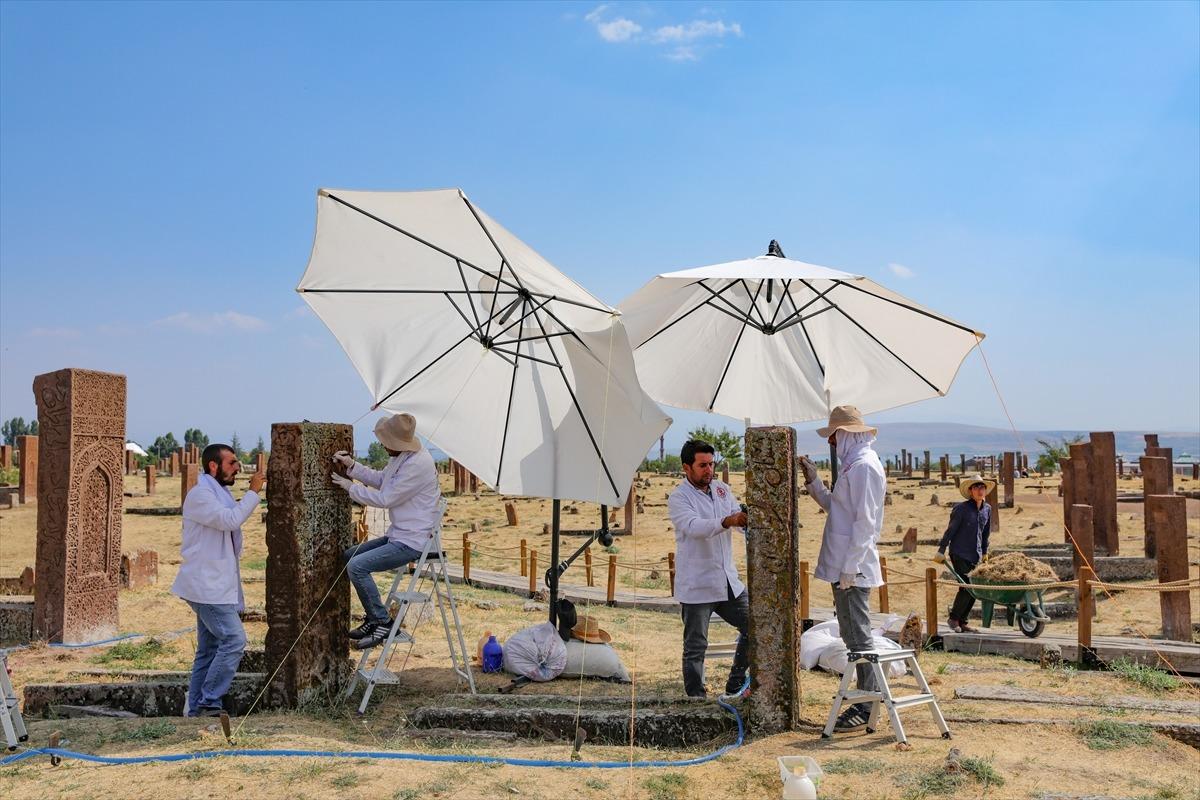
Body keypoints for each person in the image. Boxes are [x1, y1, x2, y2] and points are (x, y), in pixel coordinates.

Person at [799, 405, 886, 733]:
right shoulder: (854, 465)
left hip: (854, 566)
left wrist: (850, 567)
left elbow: (865, 522)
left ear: (847, 434)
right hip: (845, 565)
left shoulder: (863, 467)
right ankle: (866, 699)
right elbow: (838, 508)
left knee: (859, 636)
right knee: (851, 635)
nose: (831, 442)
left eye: (834, 436)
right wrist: (814, 482)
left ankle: (867, 702)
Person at [170, 443, 266, 717]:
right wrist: (253, 492)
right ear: (213, 466)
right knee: (234, 640)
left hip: (214, 584)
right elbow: (230, 520)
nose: (237, 467)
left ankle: (196, 709)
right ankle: (209, 701)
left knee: (209, 649)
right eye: (231, 463)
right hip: (206, 585)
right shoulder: (200, 495)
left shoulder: (219, 492)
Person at [330, 413, 439, 650]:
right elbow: (382, 480)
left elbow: (385, 498)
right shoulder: (402, 456)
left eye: (385, 442)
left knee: (357, 566)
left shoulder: (418, 464)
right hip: (399, 533)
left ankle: (383, 622)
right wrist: (352, 466)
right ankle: (373, 618)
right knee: (349, 556)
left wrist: (350, 488)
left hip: (412, 540)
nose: (383, 446)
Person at [667, 439, 749, 698]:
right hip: (698, 583)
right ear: (686, 467)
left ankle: (736, 683)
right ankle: (696, 699)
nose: (709, 470)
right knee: (695, 645)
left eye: (711, 464)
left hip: (727, 580)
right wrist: (728, 521)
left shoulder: (722, 489)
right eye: (702, 465)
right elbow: (693, 527)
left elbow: (736, 517)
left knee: (756, 626)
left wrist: (745, 521)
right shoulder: (679, 497)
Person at [935, 474, 995, 633]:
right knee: (967, 586)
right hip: (959, 553)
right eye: (976, 487)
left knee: (974, 588)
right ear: (970, 491)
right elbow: (950, 531)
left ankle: (962, 622)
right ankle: (953, 618)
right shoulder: (961, 509)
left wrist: (985, 552)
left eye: (982, 487)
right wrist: (941, 550)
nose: (980, 490)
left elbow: (985, 533)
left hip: (976, 554)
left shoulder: (987, 509)